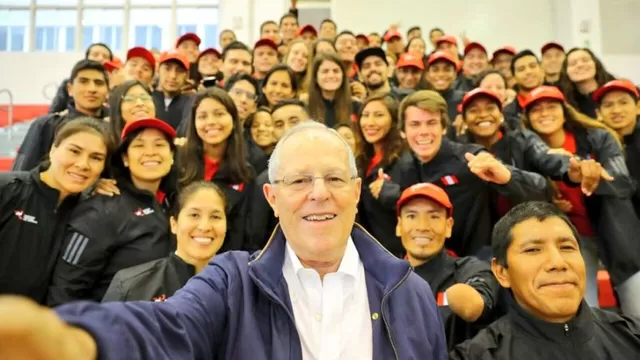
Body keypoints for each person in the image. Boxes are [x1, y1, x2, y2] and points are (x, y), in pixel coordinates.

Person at [0, 120, 448, 360]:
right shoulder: (231, 281)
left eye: (334, 177)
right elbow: (167, 330)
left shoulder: (412, 294)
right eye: (299, 181)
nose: (318, 192)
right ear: (272, 197)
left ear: (355, 190)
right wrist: (74, 340)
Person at [450, 201, 640, 359]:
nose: (558, 262)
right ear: (501, 272)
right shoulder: (477, 356)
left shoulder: (632, 337)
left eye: (566, 247)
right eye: (533, 250)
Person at [47, 117, 177, 306]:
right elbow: (65, 290)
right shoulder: (102, 208)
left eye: (159, 145)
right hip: (111, 328)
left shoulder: (177, 203)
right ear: (125, 158)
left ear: (172, 156)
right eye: (139, 145)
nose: (150, 152)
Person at [0, 117, 113, 304]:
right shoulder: (7, 190)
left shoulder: (88, 210)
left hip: (38, 327)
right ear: (53, 149)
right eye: (74, 151)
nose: (83, 164)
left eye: (96, 158)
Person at [397, 183, 501, 349]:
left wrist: (465, 300)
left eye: (434, 216)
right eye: (411, 216)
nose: (422, 226)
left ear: (448, 226)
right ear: (399, 226)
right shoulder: (381, 275)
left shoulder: (470, 268)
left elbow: (477, 304)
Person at [102, 181, 227, 302]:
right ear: (174, 224)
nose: (204, 227)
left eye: (215, 217)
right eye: (194, 215)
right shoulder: (130, 285)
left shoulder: (241, 287)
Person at [13, 60, 110, 171]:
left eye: (98, 83)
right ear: (70, 89)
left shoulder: (115, 129)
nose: (92, 89)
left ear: (107, 91)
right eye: (83, 81)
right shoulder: (46, 125)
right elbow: (21, 173)